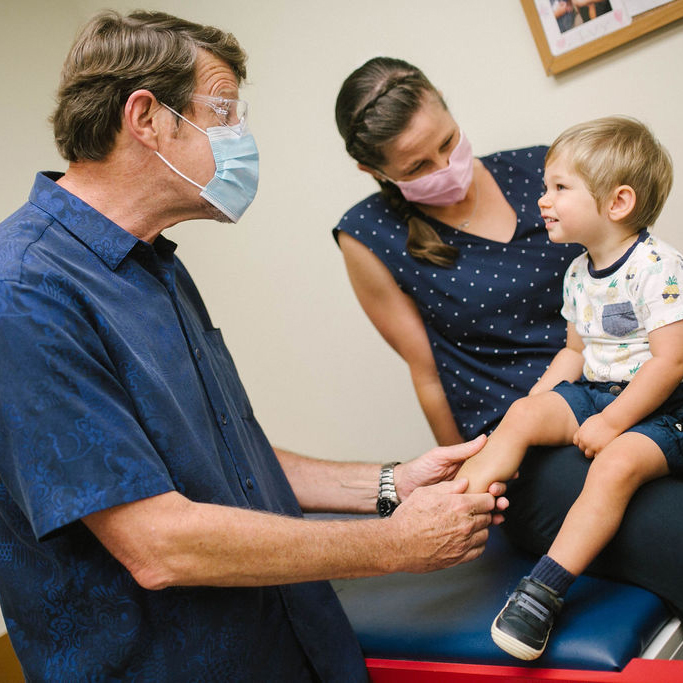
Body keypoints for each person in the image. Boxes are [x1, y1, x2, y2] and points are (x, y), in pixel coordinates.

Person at [0, 12, 509, 682]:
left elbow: (222, 456)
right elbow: (158, 544)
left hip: (293, 641)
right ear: (146, 118)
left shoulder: (153, 266)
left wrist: (386, 483)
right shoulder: (25, 292)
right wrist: (396, 543)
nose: (241, 140)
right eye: (224, 114)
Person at [333, 57, 683, 625]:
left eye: (448, 142)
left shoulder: (542, 175)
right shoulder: (368, 234)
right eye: (418, 165)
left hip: (636, 397)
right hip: (529, 448)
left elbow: (634, 285)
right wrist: (467, 490)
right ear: (372, 170)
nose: (447, 166)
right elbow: (426, 372)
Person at [452, 116, 683, 660]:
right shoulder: (578, 273)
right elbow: (575, 354)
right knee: (521, 417)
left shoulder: (658, 268)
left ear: (618, 202)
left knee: (616, 465)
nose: (542, 200)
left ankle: (544, 591)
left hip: (666, 409)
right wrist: (536, 405)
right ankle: (457, 504)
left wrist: (612, 423)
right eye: (544, 187)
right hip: (602, 391)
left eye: (559, 188)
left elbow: (670, 364)